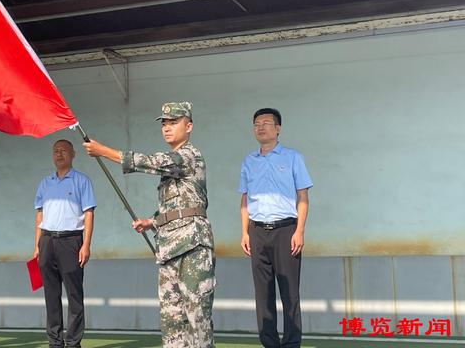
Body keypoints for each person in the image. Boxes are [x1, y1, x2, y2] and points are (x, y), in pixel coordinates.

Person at [84, 101, 215, 348]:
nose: (167, 128)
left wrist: (105, 151)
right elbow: (178, 204)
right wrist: (152, 221)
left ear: (189, 126)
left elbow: (151, 162)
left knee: (197, 319)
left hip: (192, 246)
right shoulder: (174, 165)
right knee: (172, 321)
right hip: (169, 248)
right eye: (164, 124)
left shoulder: (188, 155)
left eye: (173, 122)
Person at [239, 108, 312, 348]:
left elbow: (303, 196)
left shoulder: (293, 157)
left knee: (290, 293)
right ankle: (268, 343)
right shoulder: (249, 161)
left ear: (278, 128)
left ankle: (291, 343)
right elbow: (244, 199)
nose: (261, 127)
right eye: (256, 123)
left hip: (286, 231)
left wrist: (299, 231)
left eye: (267, 123)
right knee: (263, 294)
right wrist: (245, 232)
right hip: (257, 232)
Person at [34, 139, 96, 348]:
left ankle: (73, 342)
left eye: (63, 151)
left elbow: (88, 214)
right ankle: (54, 341)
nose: (59, 154)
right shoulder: (45, 182)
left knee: (74, 295)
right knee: (51, 295)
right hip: (47, 241)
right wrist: (37, 245)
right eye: (55, 151)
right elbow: (40, 214)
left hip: (71, 241)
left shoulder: (82, 181)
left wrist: (86, 244)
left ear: (72, 154)